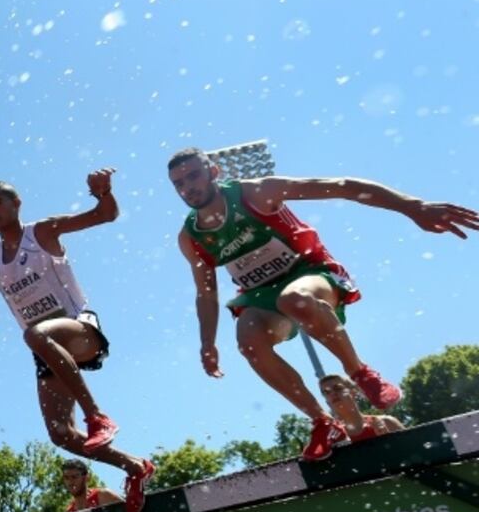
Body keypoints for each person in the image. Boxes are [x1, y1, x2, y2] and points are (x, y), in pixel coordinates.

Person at [168, 147, 479, 460]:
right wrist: (207, 343)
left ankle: (360, 372)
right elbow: (206, 293)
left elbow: (343, 186)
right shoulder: (190, 237)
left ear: (214, 172)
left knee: (295, 299)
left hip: (311, 273)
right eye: (179, 183)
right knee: (248, 339)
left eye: (193, 175)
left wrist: (412, 206)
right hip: (261, 295)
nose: (187, 187)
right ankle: (323, 421)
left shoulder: (259, 192)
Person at [0, 175, 154, 512]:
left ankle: (97, 417)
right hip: (48, 348)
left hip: (79, 330)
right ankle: (135, 467)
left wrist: (104, 192)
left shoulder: (43, 232)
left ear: (16, 204)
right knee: (60, 434)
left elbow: (104, 215)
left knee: (34, 335)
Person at [320, 374, 406, 443]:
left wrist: (388, 440)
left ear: (353, 393)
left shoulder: (386, 422)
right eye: (326, 392)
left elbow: (414, 452)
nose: (332, 394)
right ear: (327, 402)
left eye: (338, 388)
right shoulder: (329, 440)